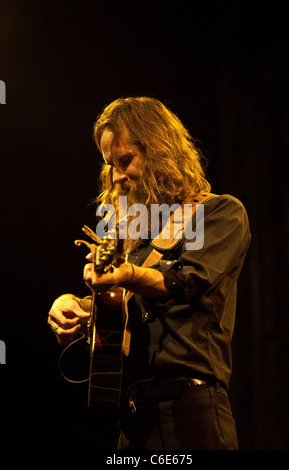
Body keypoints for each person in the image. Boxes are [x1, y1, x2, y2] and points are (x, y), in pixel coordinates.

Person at [48, 96, 251, 450]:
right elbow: (124, 299)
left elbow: (184, 280)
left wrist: (125, 275)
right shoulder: (135, 243)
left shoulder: (220, 213)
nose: (116, 176)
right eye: (110, 164)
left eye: (125, 160)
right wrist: (76, 305)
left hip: (193, 412)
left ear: (160, 151)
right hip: (133, 421)